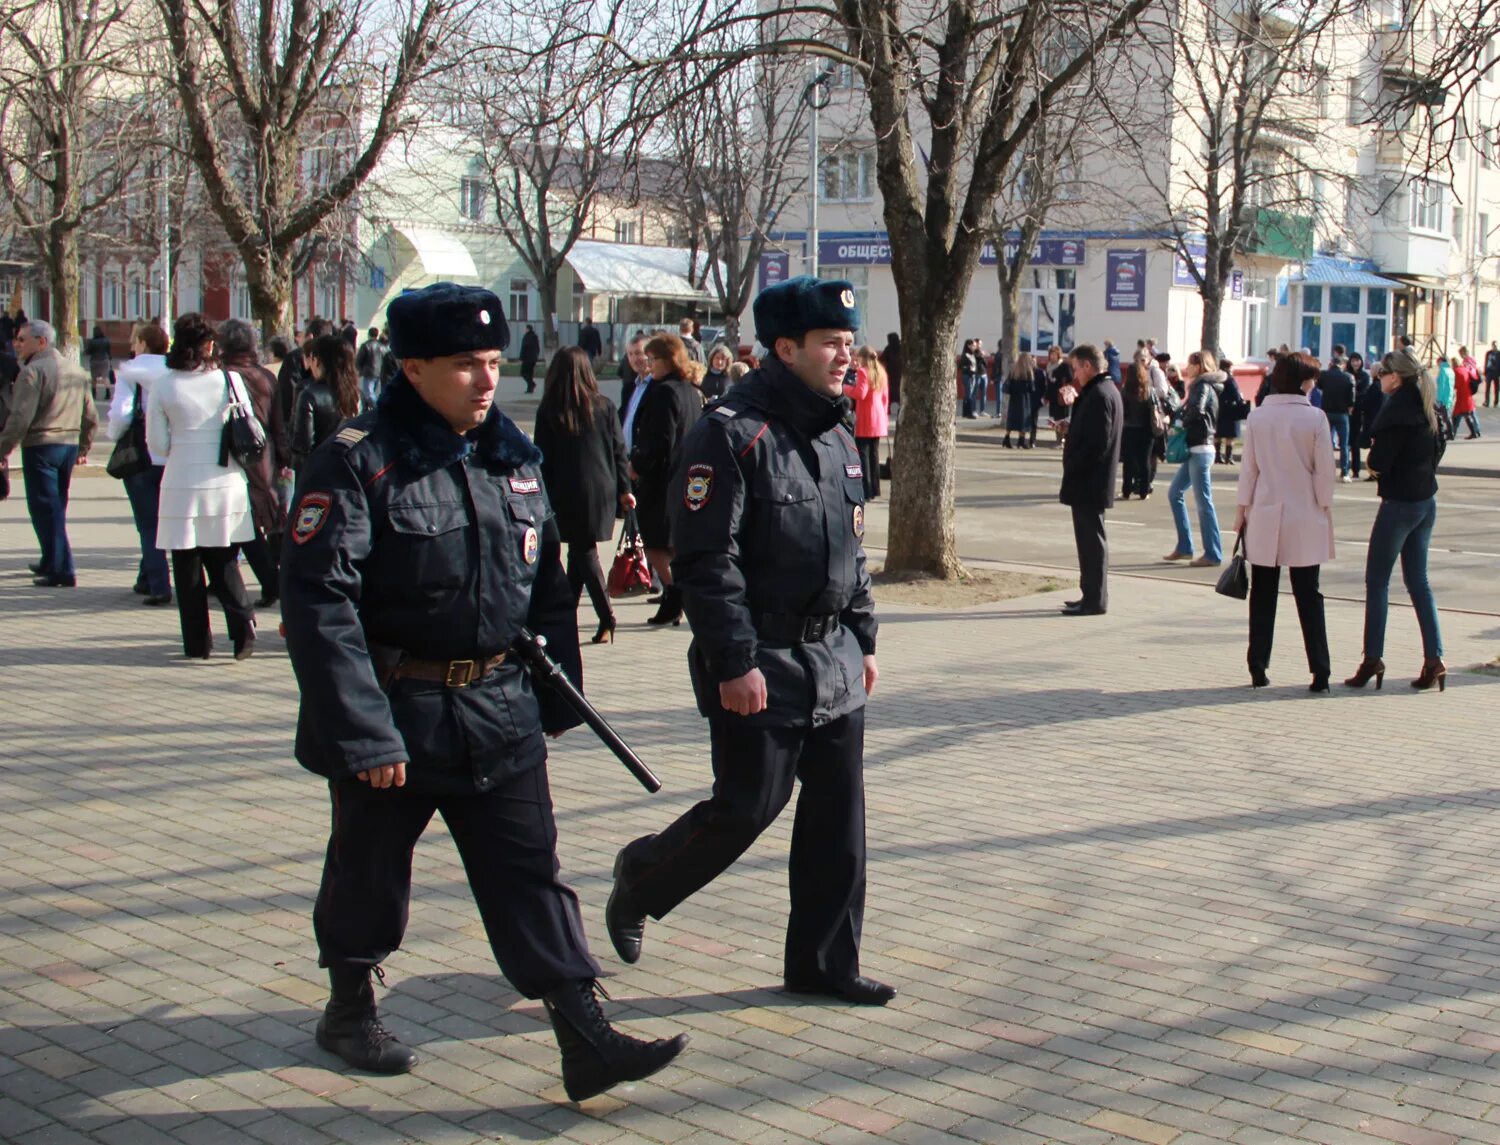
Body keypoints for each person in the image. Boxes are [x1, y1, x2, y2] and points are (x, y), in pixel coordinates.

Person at [278, 282, 686, 1098]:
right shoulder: (360, 459)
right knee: (369, 868)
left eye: (494, 361)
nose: (486, 378)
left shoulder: (513, 456)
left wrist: (554, 700)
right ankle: (348, 1004)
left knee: (530, 872)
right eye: (465, 363)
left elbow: (545, 586)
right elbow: (319, 603)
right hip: (397, 709)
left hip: (497, 707)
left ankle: (585, 1035)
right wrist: (362, 731)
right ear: (415, 367)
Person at [604, 275, 892, 1007]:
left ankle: (824, 961)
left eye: (849, 344)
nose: (844, 357)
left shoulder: (835, 431)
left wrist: (863, 637)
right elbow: (706, 560)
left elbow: (850, 552)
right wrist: (733, 659)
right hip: (760, 657)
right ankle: (642, 876)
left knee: (838, 819)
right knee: (745, 808)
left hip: (830, 657)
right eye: (831, 344)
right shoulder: (730, 432)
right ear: (786, 348)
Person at [146, 313, 257, 659]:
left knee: (186, 565)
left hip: (182, 482)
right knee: (224, 558)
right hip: (224, 480)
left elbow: (158, 443)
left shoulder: (164, 384)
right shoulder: (229, 381)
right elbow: (252, 429)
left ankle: (197, 643)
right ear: (209, 344)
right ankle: (242, 627)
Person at [1345, 348, 1447, 693]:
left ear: (1396, 376)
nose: (1378, 377)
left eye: (1382, 373)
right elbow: (1439, 448)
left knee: (1377, 581)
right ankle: (1434, 658)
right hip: (1425, 500)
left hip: (1400, 504)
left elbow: (1379, 461)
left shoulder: (1397, 411)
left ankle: (1372, 658)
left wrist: (1375, 461)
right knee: (1419, 581)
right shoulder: (1425, 405)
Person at [1233, 352, 1334, 692]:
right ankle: (1320, 670)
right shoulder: (1316, 418)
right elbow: (1324, 474)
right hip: (1305, 512)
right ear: (1305, 382)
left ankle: (1258, 666)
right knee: (1309, 593)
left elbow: (1249, 470)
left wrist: (1241, 512)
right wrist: (1324, 506)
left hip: (1264, 511)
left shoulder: (1259, 417)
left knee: (1263, 593)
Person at [534, 347, 634, 645]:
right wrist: (625, 490)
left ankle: (606, 616)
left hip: (566, 490)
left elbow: (541, 457)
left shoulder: (550, 409)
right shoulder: (603, 406)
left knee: (583, 552)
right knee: (578, 553)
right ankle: (566, 614)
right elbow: (619, 450)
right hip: (601, 488)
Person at [1, 320, 98, 586]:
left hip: (41, 445)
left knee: (45, 508)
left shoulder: (32, 372)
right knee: (56, 506)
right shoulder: (77, 371)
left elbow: (20, 418)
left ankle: (62, 569)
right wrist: (84, 446)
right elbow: (91, 415)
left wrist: (3, 449)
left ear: (41, 342)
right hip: (67, 445)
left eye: (23, 339)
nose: (17, 345)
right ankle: (50, 559)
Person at [629, 333, 702, 626]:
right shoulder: (688, 390)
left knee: (657, 543)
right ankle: (676, 595)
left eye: (653, 359)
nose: (649, 365)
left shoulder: (664, 392)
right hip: (685, 477)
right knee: (672, 542)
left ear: (668, 359)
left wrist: (637, 465)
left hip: (662, 479)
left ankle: (676, 593)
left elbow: (659, 440)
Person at [218, 319, 287, 607]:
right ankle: (264, 580)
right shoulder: (265, 376)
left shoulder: (224, 377)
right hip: (265, 455)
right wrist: (283, 458)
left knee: (241, 522)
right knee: (259, 519)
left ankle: (269, 581)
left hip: (235, 455)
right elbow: (278, 422)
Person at [105, 322, 173, 604]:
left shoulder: (130, 373)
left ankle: (159, 584)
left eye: (135, 341)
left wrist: (113, 435)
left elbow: (121, 414)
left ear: (144, 343)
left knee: (147, 523)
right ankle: (146, 577)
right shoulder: (175, 370)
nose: (133, 346)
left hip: (141, 454)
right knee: (165, 519)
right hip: (172, 454)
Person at [1058, 344, 1122, 616]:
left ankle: (1094, 599)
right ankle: (1090, 594)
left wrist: (1074, 462)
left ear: (1087, 366)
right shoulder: (1103, 391)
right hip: (1091, 480)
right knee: (1088, 540)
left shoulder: (1099, 394)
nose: (1075, 374)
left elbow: (1098, 442)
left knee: (1091, 542)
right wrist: (1070, 430)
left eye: (1076, 368)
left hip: (1090, 481)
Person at [1163, 350, 1225, 567]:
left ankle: (1213, 553)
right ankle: (1184, 547)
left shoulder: (1202, 386)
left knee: (1203, 501)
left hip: (1200, 449)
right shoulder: (1204, 387)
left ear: (1199, 366)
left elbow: (1196, 411)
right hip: (1197, 449)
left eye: (1190, 364)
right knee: (1174, 493)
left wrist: (1179, 424)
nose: (1187, 368)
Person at [291, 334, 361, 470]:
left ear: (317, 361)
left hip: (318, 473)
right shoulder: (358, 396)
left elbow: (303, 445)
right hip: (351, 470)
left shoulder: (309, 395)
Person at [844, 345, 891, 498]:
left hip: (866, 416)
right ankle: (876, 488)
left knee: (863, 454)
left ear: (863, 358)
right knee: (875, 454)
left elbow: (860, 393)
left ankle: (867, 488)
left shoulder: (864, 372)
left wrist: (845, 388)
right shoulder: (881, 372)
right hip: (878, 417)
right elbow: (885, 398)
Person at [1118, 354, 1157, 499]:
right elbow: (1154, 408)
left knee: (1128, 461)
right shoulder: (1149, 390)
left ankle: (1126, 490)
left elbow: (1121, 409)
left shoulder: (1125, 390)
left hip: (1129, 429)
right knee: (1145, 461)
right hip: (1146, 430)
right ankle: (1144, 491)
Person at [1316, 349, 1356, 482]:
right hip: (1342, 413)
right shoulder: (1348, 377)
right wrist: (1350, 407)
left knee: (1325, 443)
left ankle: (1324, 470)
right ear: (1342, 365)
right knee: (1344, 444)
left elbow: (1319, 387)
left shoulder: (1324, 375)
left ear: (1331, 364)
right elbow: (1352, 395)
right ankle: (1345, 472)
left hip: (1327, 412)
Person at [1002, 351, 1040, 450]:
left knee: (1012, 418)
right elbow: (1032, 388)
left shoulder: (1014, 369)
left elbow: (1009, 383)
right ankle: (1021, 440)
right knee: (1023, 419)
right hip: (1024, 399)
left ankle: (1006, 438)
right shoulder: (1028, 371)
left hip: (1014, 399)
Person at [1214, 358, 1248, 465]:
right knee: (1230, 436)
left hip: (1218, 409)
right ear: (1228, 368)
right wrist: (1240, 399)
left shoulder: (1216, 378)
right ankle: (1228, 457)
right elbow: (1236, 395)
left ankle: (1217, 457)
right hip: (1230, 411)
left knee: (1218, 435)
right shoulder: (1230, 379)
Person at [1044, 344, 1073, 444]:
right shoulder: (1049, 367)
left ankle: (1064, 439)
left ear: (1058, 355)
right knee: (1056, 419)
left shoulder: (1064, 365)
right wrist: (1046, 397)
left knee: (1063, 419)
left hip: (1062, 397)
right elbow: (1048, 383)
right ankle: (1058, 439)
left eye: (1054, 354)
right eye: (1050, 354)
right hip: (1053, 397)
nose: (1052, 357)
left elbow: (1070, 379)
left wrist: (1065, 389)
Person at [355, 327, 388, 406]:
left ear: (369, 334)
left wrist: (359, 369)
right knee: (371, 392)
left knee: (368, 393)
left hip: (369, 372)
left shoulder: (366, 345)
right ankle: (367, 407)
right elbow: (386, 358)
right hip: (379, 372)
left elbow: (359, 359)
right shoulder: (382, 346)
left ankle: (377, 407)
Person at [1452, 352, 1481, 438]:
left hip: (1462, 396)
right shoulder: (1464, 369)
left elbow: (1456, 384)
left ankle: (1453, 433)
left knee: (1457, 415)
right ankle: (1474, 432)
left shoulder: (1457, 371)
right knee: (1466, 414)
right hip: (1467, 395)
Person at [959, 338, 987, 418]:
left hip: (973, 376)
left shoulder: (973, 354)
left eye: (975, 345)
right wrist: (968, 368)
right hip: (967, 376)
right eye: (973, 345)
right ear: (968, 346)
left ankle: (966, 412)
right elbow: (961, 366)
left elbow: (982, 363)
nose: (975, 347)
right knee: (969, 394)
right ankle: (969, 412)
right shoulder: (965, 355)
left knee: (969, 394)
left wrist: (982, 356)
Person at [85, 324, 112, 392]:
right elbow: (108, 351)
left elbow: (88, 352)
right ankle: (108, 392)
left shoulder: (92, 341)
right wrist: (109, 359)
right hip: (104, 360)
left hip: (94, 361)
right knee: (105, 377)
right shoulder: (106, 340)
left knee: (94, 378)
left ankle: (94, 393)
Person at [1435, 355, 1456, 439]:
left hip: (1443, 397)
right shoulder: (1450, 370)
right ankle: (1450, 432)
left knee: (1445, 416)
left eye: (1438, 362)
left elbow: (1442, 385)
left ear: (1441, 361)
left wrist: (1438, 399)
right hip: (1449, 396)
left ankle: (1450, 433)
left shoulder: (1443, 370)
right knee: (1447, 415)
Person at [880, 331, 902, 409]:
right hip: (897, 373)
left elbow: (881, 359)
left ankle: (891, 406)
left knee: (894, 389)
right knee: (897, 389)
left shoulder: (889, 348)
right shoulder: (899, 347)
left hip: (893, 373)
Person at [519, 324, 542, 394]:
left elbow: (524, 348)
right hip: (533, 359)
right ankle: (530, 388)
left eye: (526, 329)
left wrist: (521, 357)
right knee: (530, 373)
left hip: (527, 359)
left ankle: (531, 384)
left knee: (523, 373)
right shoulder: (535, 337)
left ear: (528, 329)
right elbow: (538, 348)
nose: (525, 330)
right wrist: (536, 356)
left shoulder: (527, 337)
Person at [1484, 340, 1500, 407]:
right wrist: (1485, 371)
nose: (1494, 346)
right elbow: (1486, 362)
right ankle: (1486, 402)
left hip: (1496, 373)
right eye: (1493, 345)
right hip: (1489, 372)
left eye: (1496, 345)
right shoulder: (1488, 353)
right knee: (1487, 388)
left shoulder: (1499, 353)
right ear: (1492, 345)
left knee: (1496, 388)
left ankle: (1495, 402)